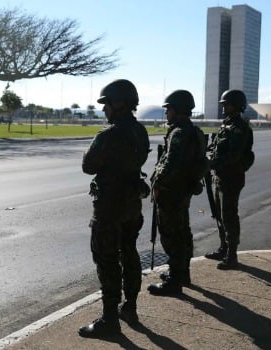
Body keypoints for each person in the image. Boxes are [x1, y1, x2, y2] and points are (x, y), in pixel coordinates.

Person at [79, 79, 150, 337]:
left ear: (118, 104)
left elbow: (88, 166)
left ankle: (109, 320)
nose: (104, 109)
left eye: (106, 103)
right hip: (132, 205)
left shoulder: (108, 135)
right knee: (130, 254)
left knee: (107, 261)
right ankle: (129, 307)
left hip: (109, 209)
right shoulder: (140, 131)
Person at [147, 90, 207, 296]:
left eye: (168, 109)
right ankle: (182, 272)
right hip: (184, 190)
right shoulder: (194, 131)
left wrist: (158, 184)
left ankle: (175, 280)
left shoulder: (179, 133)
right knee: (183, 231)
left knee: (171, 235)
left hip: (172, 191)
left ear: (177, 109)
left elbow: (172, 163)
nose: (166, 113)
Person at [204, 89, 254, 269]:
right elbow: (214, 147)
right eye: (223, 104)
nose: (223, 107)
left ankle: (232, 254)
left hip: (231, 178)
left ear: (237, 106)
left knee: (229, 216)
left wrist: (211, 163)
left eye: (227, 104)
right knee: (219, 215)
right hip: (220, 176)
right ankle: (223, 248)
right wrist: (209, 156)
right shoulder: (226, 125)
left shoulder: (240, 128)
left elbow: (233, 155)